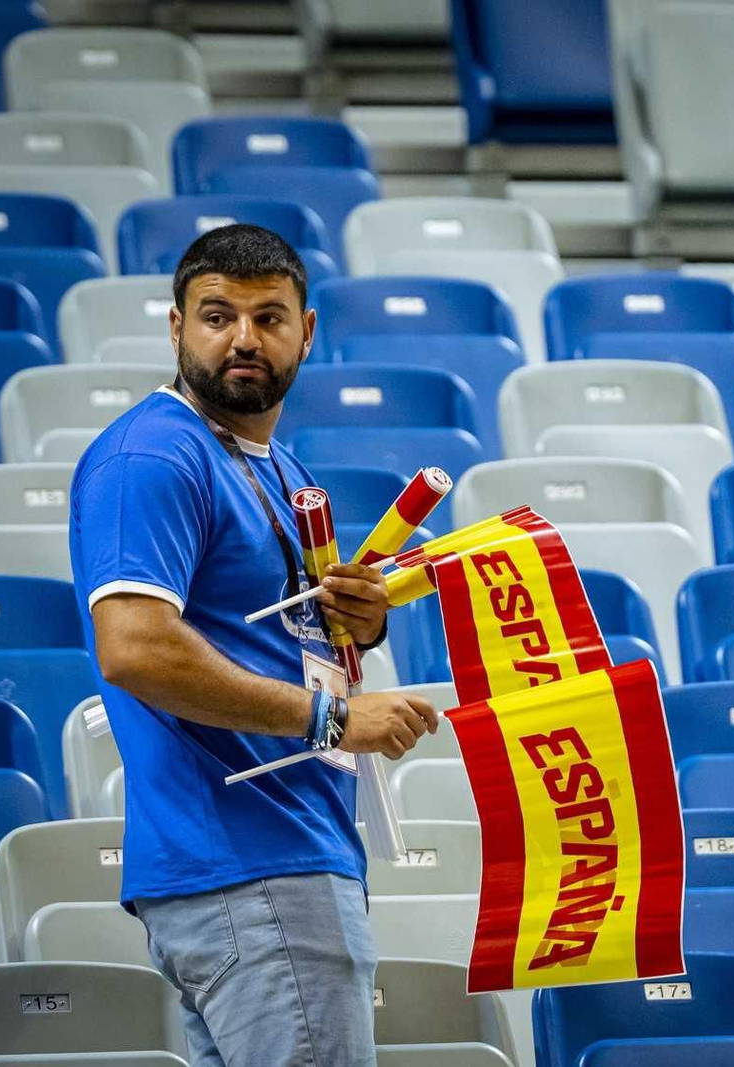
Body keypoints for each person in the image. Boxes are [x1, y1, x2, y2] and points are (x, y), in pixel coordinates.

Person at [69, 224, 439, 1067]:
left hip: (275, 857)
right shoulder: (153, 454)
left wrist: (360, 619)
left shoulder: (280, 467)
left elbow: (268, 627)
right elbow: (135, 648)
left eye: (269, 316)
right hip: (250, 863)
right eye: (216, 315)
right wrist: (332, 718)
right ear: (175, 329)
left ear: (307, 331)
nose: (242, 337)